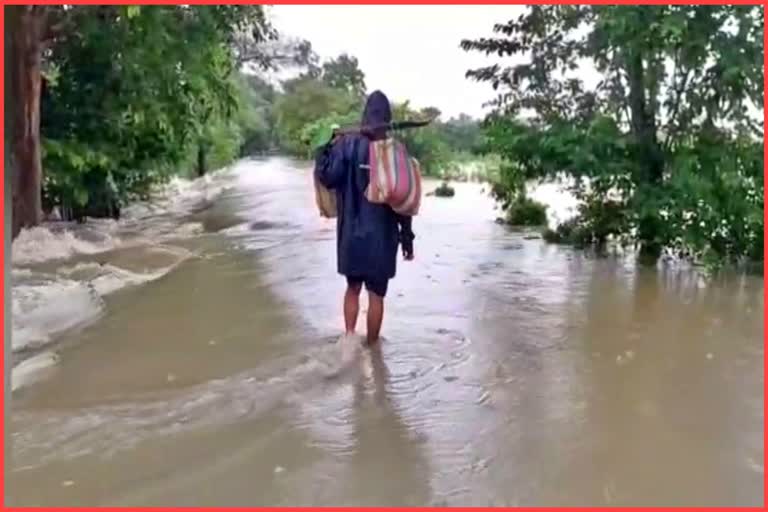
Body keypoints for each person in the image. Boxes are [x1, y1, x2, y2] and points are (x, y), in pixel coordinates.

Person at [315, 90, 415, 345]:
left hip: (351, 235)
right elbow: (404, 199)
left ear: (364, 115)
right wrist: (407, 239)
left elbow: (327, 176)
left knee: (352, 288)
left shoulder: (345, 146)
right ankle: (372, 350)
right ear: (388, 118)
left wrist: (323, 147)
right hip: (383, 238)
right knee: (377, 296)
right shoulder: (396, 153)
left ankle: (349, 341)